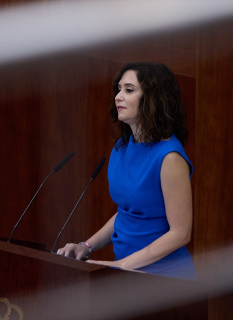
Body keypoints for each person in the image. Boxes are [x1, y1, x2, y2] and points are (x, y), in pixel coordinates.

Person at [57, 62, 196, 281]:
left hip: (165, 279)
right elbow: (128, 213)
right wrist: (86, 245)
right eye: (119, 89)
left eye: (129, 90)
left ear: (153, 98)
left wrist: (121, 265)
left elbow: (181, 234)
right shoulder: (122, 146)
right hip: (126, 274)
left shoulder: (170, 157)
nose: (118, 96)